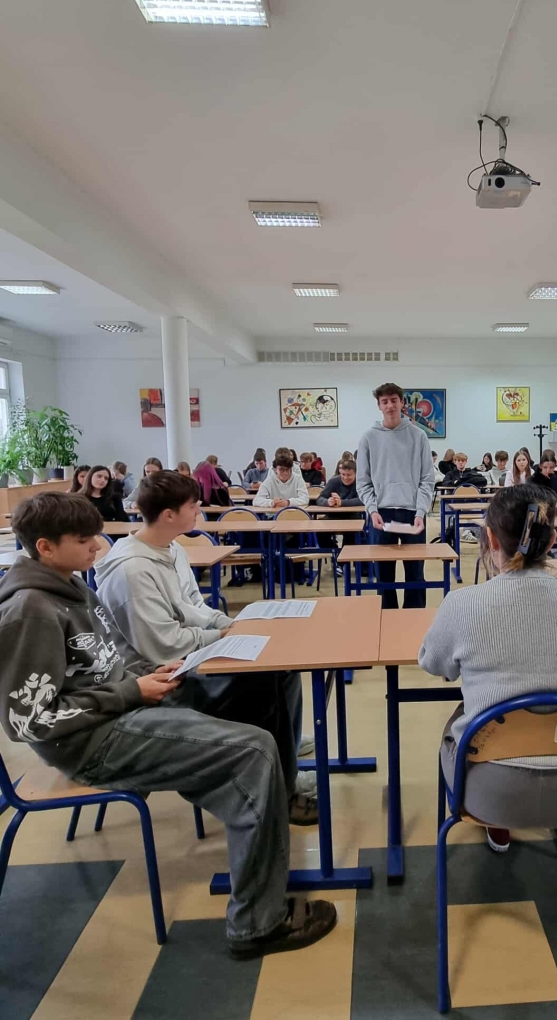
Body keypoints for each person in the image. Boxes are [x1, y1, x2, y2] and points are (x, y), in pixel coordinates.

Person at [0, 492, 335, 956]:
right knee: (253, 750)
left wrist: (149, 675)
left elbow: (112, 660)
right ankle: (257, 924)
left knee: (265, 683)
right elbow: (29, 721)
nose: (97, 547)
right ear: (45, 547)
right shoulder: (29, 610)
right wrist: (131, 692)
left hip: (125, 708)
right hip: (90, 743)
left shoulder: (71, 585)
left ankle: (271, 801)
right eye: (83, 540)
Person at [94, 470, 314, 825]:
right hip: (161, 681)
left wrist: (230, 624)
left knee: (281, 668)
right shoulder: (132, 570)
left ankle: (284, 763)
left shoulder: (172, 547)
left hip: (188, 657)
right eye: (193, 506)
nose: (199, 510)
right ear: (169, 515)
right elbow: (163, 646)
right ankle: (280, 791)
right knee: (262, 683)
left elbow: (194, 606)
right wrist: (220, 638)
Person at [419, 485, 557, 853]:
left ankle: (498, 824)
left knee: (462, 721)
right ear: (552, 540)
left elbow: (433, 663)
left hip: (491, 792)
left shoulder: (463, 603)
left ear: (490, 538)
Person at [356, 381, 434, 610]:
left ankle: (414, 620)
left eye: (393, 400)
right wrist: (372, 510)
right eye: (384, 402)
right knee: (383, 575)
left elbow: (427, 479)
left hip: (412, 514)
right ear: (379, 406)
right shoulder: (368, 438)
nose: (389, 405)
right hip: (382, 515)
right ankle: (387, 620)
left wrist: (421, 511)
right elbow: (363, 482)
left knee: (415, 574)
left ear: (402, 403)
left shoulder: (418, 436)